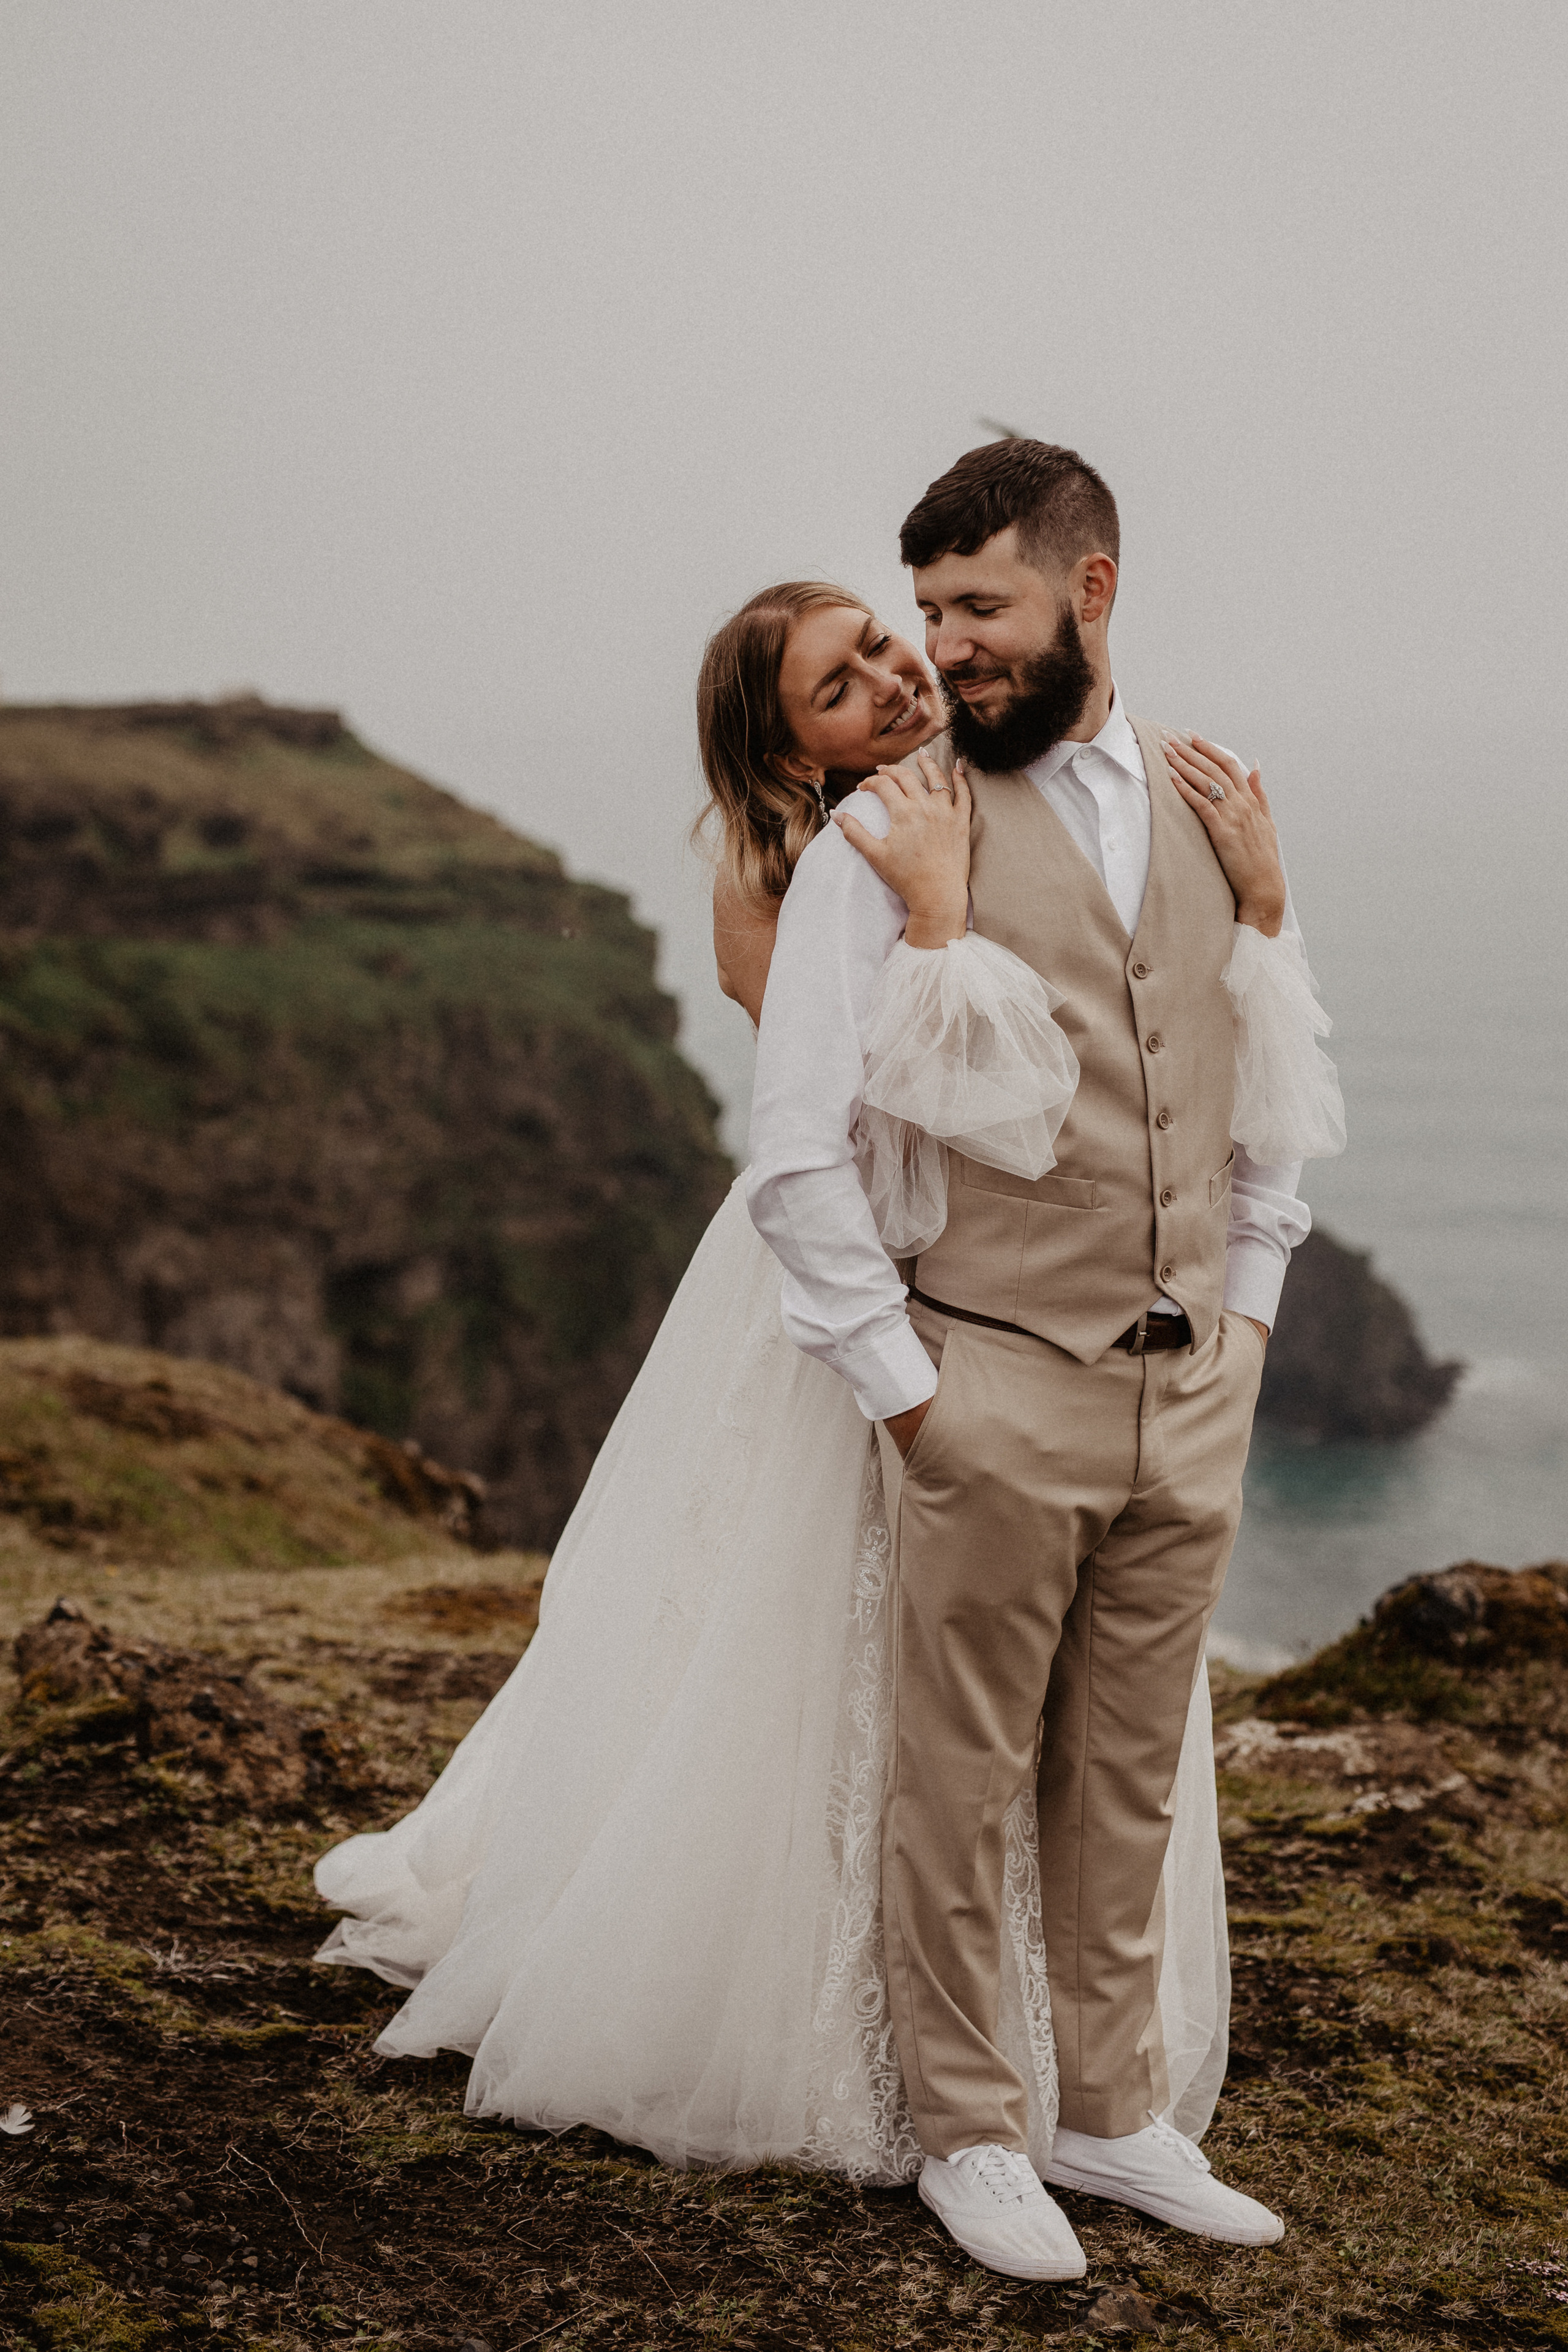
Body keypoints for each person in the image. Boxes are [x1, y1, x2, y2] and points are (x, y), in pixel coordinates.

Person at [312, 576, 1264, 2217]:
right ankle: (822, 2009)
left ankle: (1065, 2046)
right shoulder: (799, 879)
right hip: (870, 1282)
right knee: (811, 1630)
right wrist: (937, 906)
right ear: (787, 747)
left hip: (1034, 1290)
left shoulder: (984, 793)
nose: (894, 679)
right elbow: (869, 1107)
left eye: (886, 647)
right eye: (842, 683)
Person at [746, 439, 1344, 2283]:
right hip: (994, 1383)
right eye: (925, 612)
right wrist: (915, 1398)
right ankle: (968, 2131)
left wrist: (1247, 1315)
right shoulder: (887, 833)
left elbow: (1263, 1073)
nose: (949, 649)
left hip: (1190, 1391)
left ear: (1089, 592)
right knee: (958, 1774)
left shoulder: (1206, 798)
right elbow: (796, 1154)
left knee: (1132, 1769)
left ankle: (1114, 2115)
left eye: (978, 607)